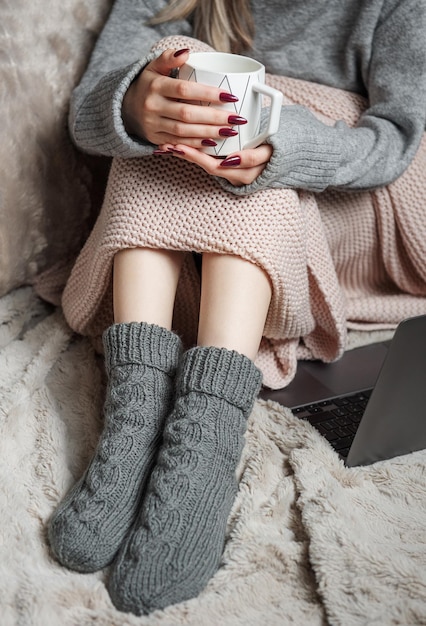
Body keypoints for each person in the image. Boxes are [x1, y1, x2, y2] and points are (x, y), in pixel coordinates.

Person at [48, 0, 426, 617]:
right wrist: (136, 108)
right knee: (176, 100)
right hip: (212, 225)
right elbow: (94, 103)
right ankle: (135, 411)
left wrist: (282, 141)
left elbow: (399, 138)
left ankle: (208, 431)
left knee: (248, 117)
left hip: (358, 200)